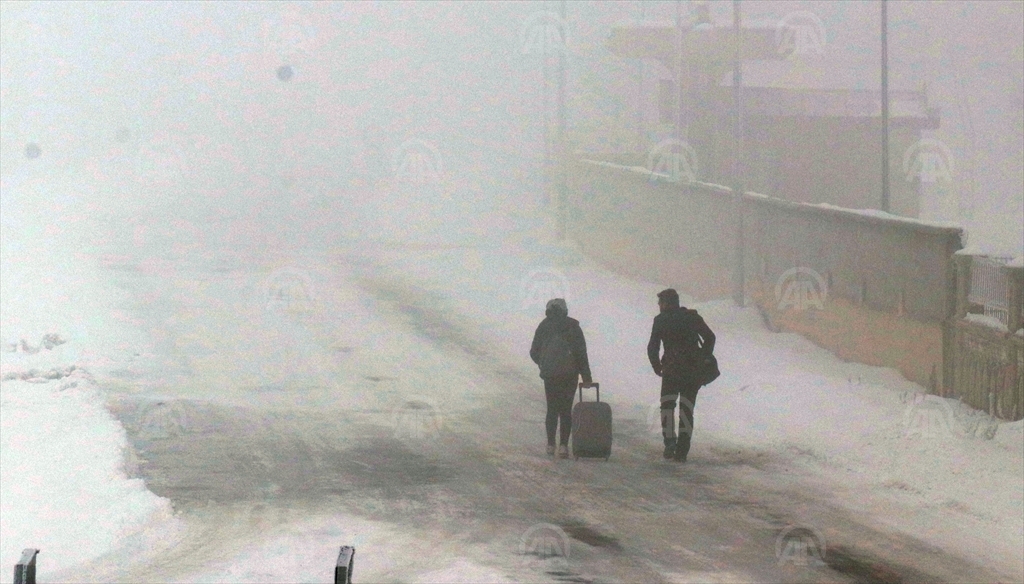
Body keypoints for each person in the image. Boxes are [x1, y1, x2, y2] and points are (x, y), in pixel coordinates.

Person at [647, 288, 715, 462]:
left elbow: (652, 347)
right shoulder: (692, 317)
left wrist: (657, 366)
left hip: (671, 370)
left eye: (660, 303)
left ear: (666, 304)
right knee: (687, 409)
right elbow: (710, 337)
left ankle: (670, 443)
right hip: (692, 372)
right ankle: (682, 451)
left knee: (667, 406)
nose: (658, 306)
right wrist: (704, 356)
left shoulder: (660, 321)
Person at [530, 298, 595, 458]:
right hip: (569, 375)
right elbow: (581, 354)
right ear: (565, 310)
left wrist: (543, 363)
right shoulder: (573, 327)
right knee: (566, 409)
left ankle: (551, 444)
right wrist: (586, 377)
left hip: (550, 374)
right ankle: (564, 446)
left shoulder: (544, 326)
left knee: (552, 408)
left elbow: (533, 351)